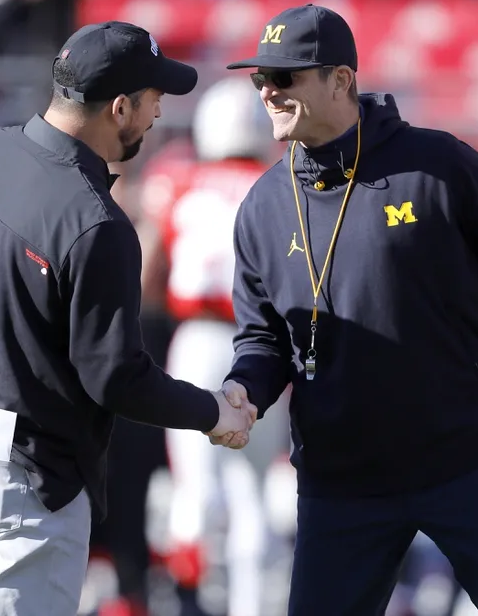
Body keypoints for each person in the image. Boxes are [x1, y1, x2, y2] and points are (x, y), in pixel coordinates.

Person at [217, 4, 478, 616]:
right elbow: (264, 338)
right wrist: (243, 389)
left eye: (286, 78)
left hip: (468, 460)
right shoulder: (262, 206)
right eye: (261, 80)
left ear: (341, 81)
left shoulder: (438, 165)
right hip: (344, 478)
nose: (269, 92)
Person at [0, 20, 256, 616]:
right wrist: (211, 412)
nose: (156, 118)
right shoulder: (97, 223)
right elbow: (114, 377)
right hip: (25, 478)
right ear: (119, 108)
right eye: (152, 103)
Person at [140, 76, 287, 615]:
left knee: (193, 487)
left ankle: (187, 601)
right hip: (261, 348)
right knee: (252, 492)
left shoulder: (182, 182)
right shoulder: (279, 188)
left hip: (197, 338)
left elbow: (149, 274)